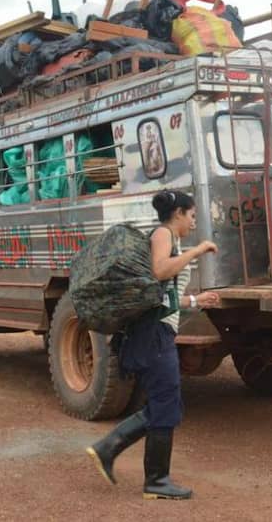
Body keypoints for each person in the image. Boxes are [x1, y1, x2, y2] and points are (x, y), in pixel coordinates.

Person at [86, 190, 219, 500]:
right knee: (166, 402)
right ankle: (151, 477)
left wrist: (197, 300)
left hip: (157, 330)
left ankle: (115, 453)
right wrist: (197, 250)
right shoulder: (163, 234)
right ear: (178, 214)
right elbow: (160, 271)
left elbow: (161, 294)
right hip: (153, 335)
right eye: (192, 216)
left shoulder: (170, 238)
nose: (192, 222)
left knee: (165, 402)